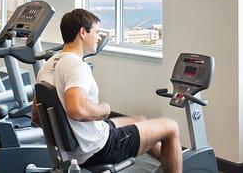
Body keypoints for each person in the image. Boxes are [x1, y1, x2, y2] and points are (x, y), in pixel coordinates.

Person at [32, 9, 182, 173]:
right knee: (171, 127)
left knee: (140, 120)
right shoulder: (76, 67)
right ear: (83, 32)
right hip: (98, 149)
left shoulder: (48, 65)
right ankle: (173, 164)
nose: (98, 37)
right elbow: (77, 109)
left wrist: (67, 136)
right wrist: (104, 110)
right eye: (96, 32)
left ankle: (172, 163)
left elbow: (36, 116)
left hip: (77, 146)